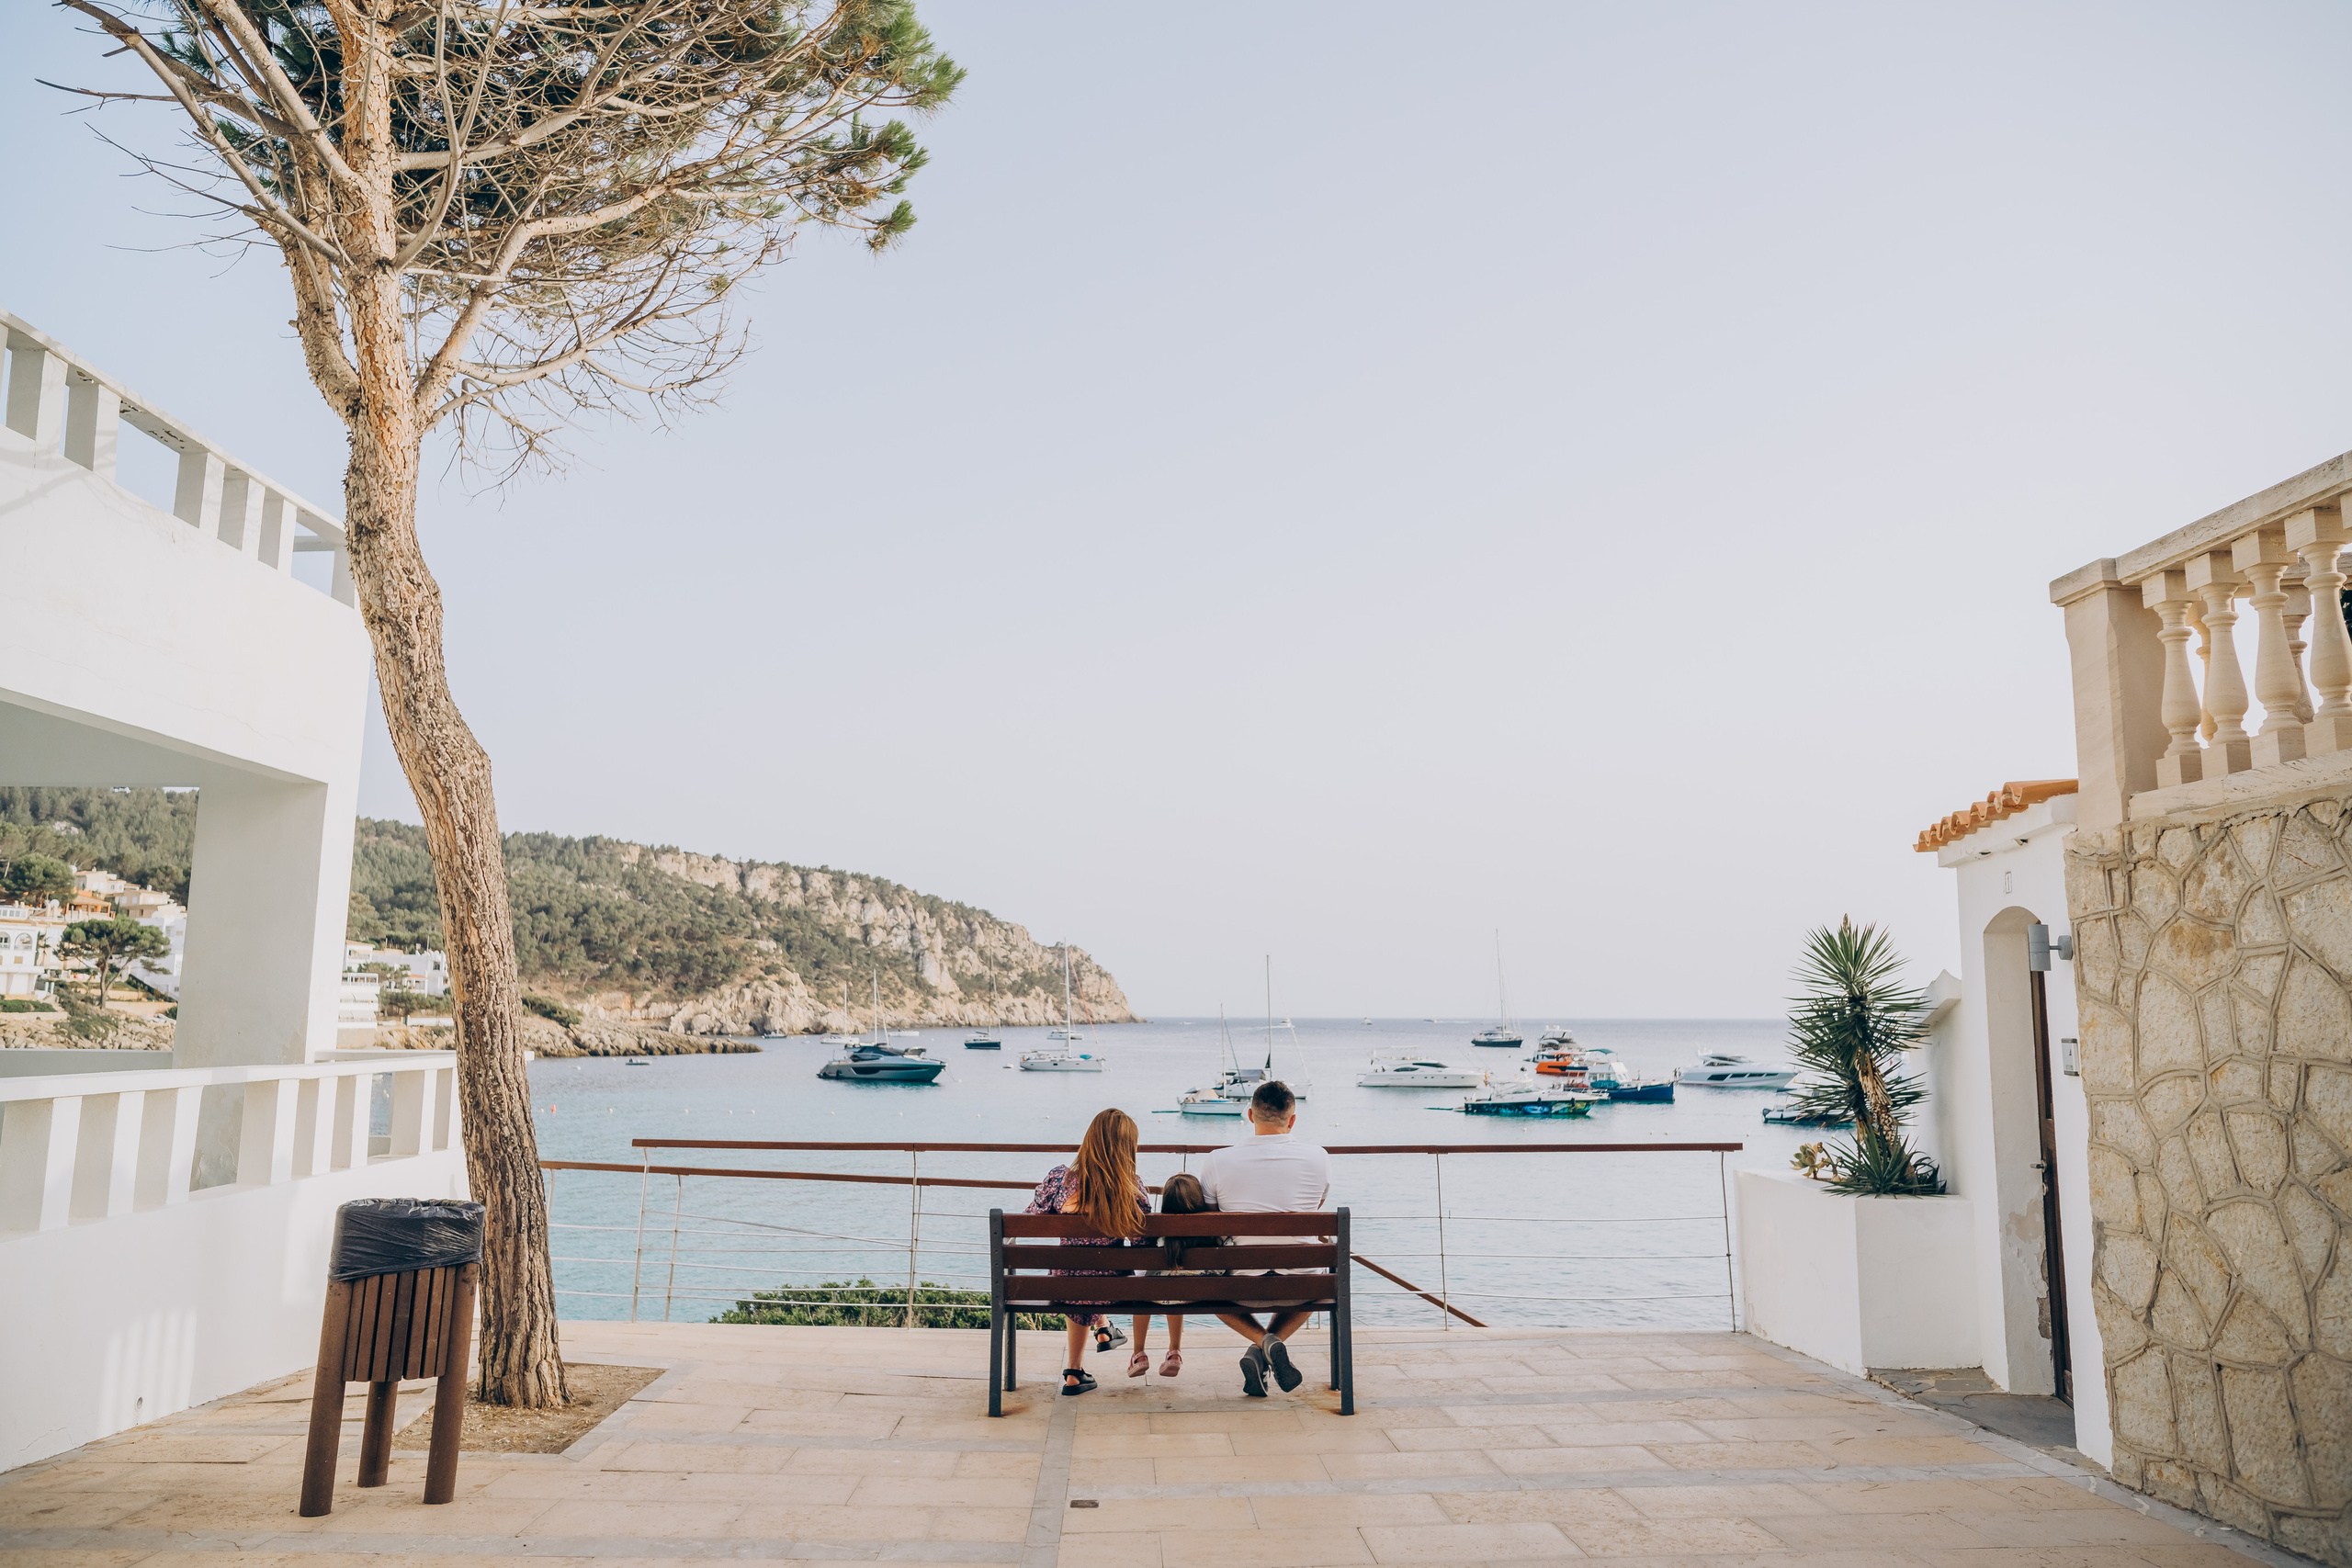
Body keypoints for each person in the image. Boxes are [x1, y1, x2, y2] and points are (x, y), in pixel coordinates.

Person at [1195, 1079, 1331, 1398]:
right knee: (1319, 1275)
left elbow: (1211, 1221)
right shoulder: (1319, 1157)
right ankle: (1267, 1346)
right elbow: (1316, 1207)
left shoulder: (1217, 1160)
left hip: (1241, 1288)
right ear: (1293, 1119)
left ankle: (1263, 1344)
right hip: (1302, 1288)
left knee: (1204, 1289)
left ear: (1250, 1115)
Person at [1025, 1107, 1148, 1396]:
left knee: (1078, 1275)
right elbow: (1143, 1245)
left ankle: (1075, 1371)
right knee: (1095, 1274)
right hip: (1112, 1289)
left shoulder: (1059, 1180)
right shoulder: (1132, 1189)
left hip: (1062, 1284)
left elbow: (1032, 1218)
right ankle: (1102, 1330)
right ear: (1129, 1149)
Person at [1125, 1172, 1224, 1379]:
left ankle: (1139, 1354)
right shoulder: (1210, 1230)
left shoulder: (1156, 1231)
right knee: (1176, 1286)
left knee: (1147, 1288)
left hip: (1157, 1293)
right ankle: (1174, 1352)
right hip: (1197, 1294)